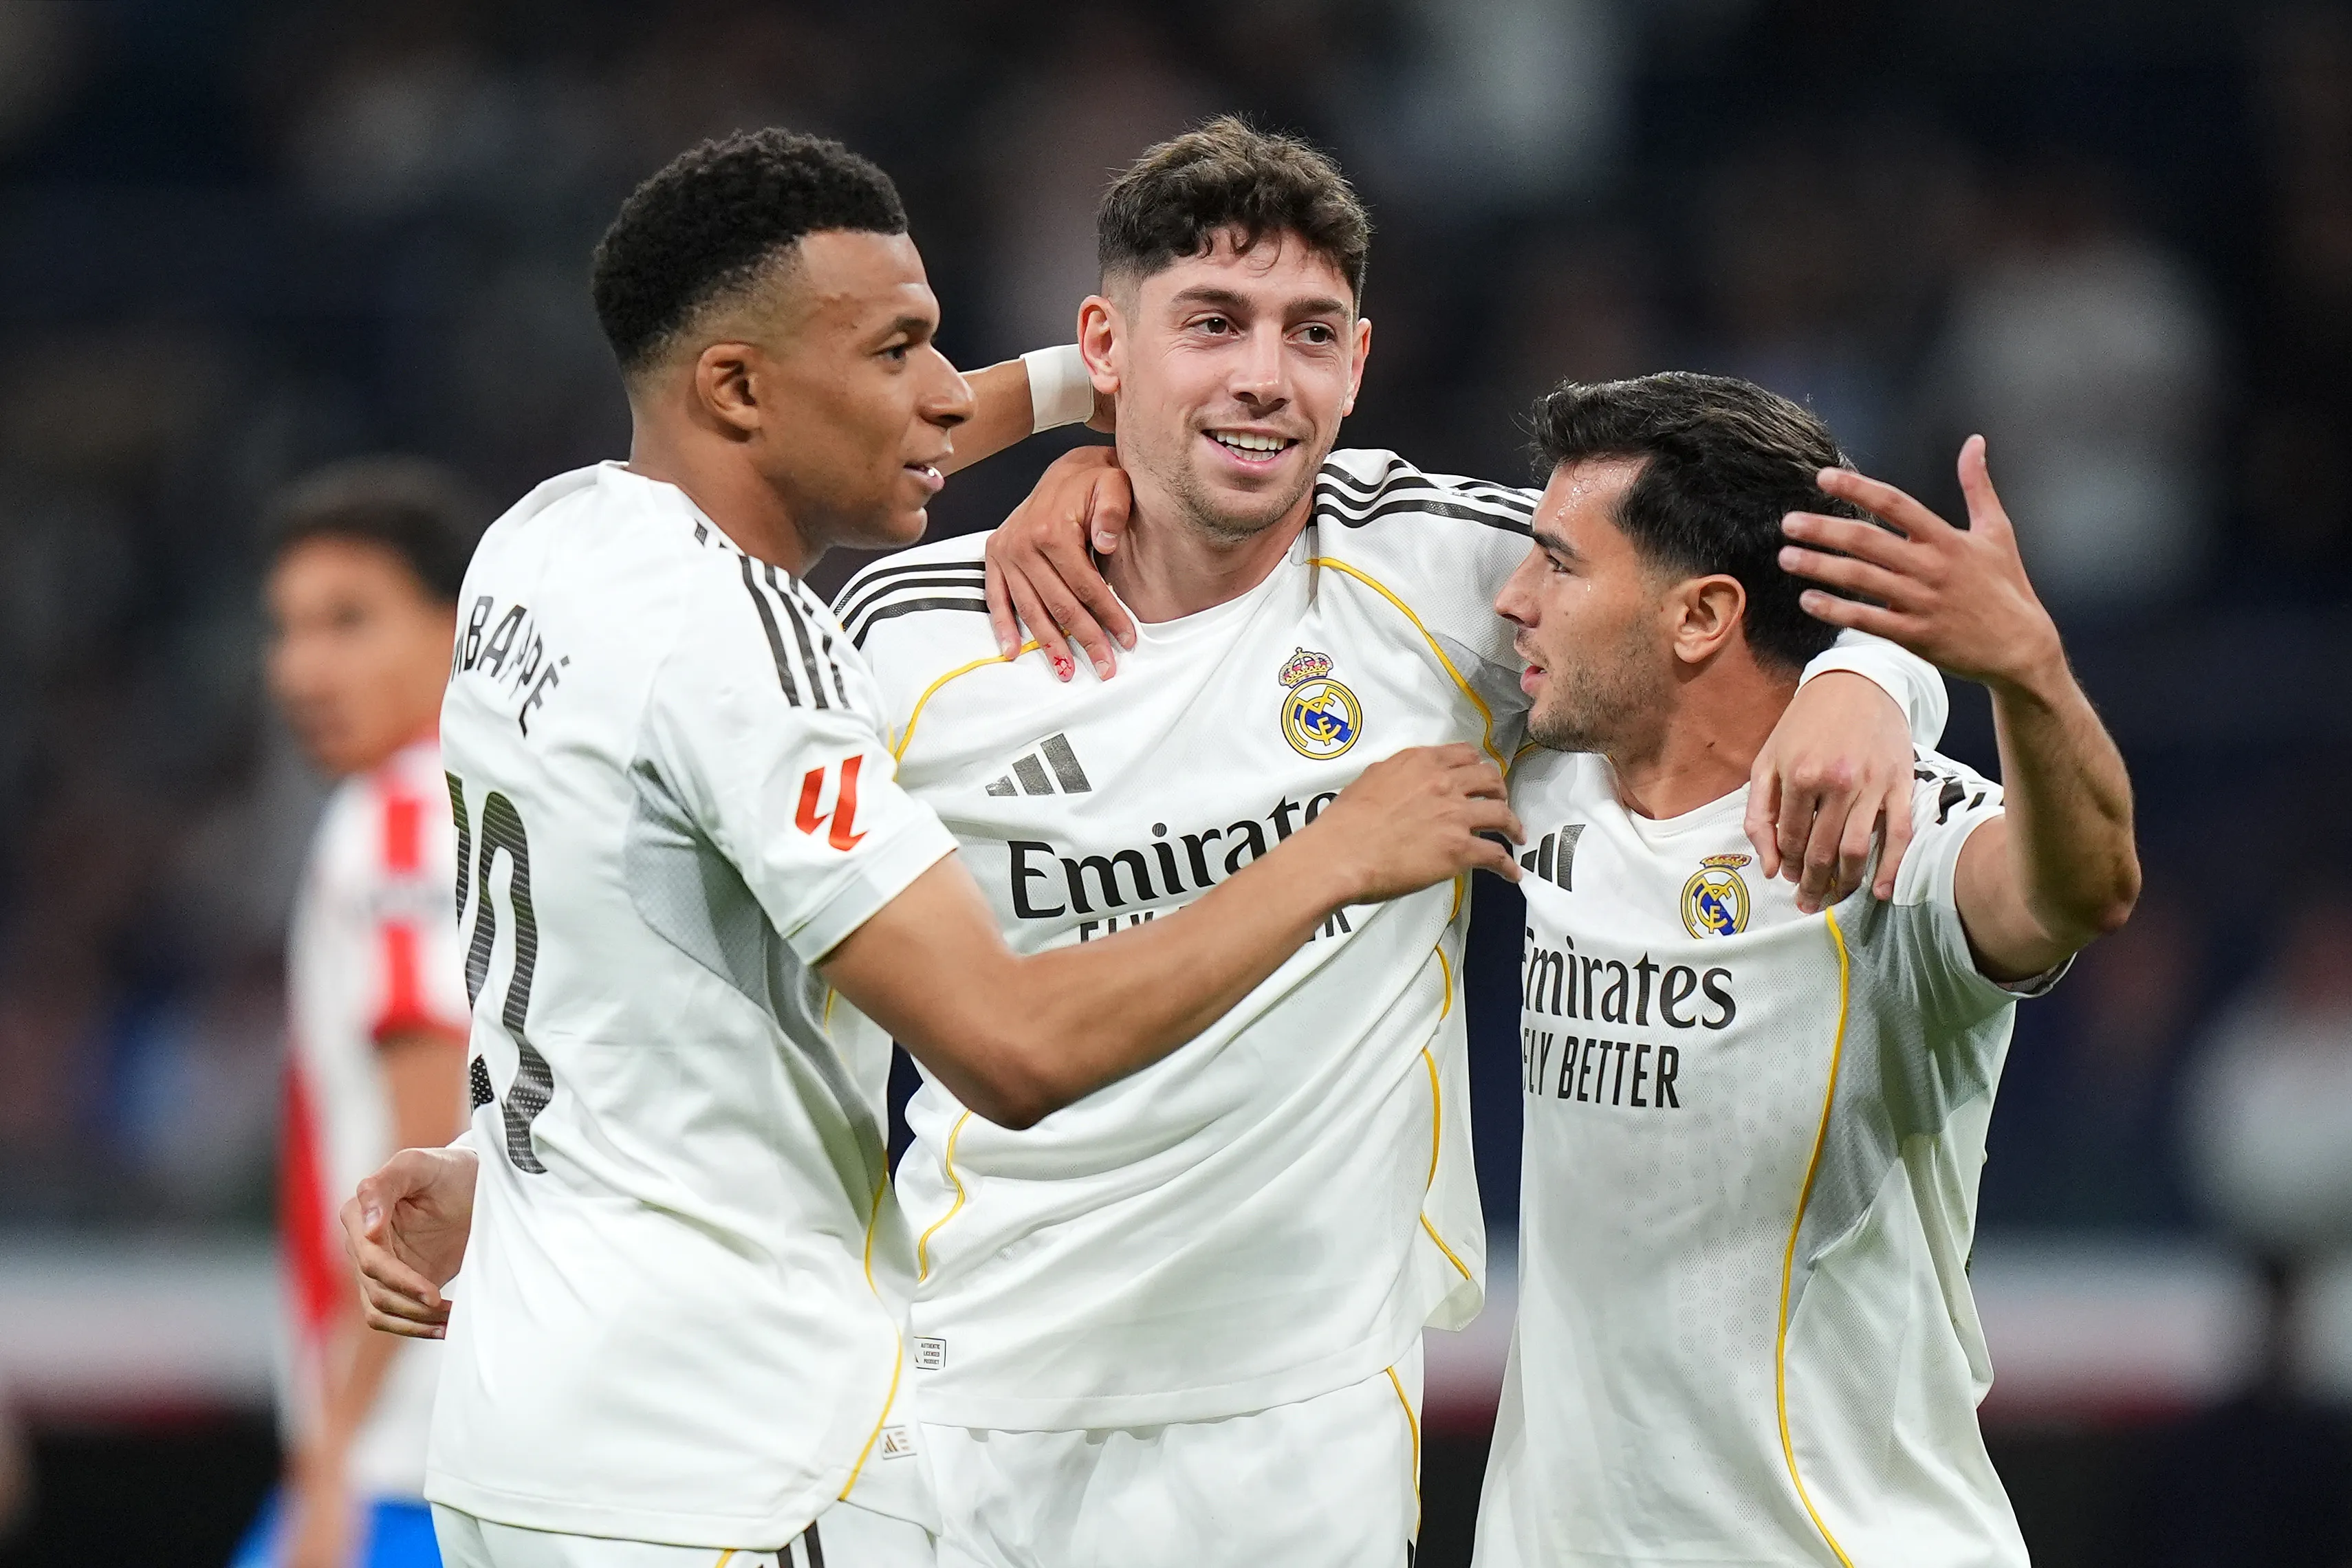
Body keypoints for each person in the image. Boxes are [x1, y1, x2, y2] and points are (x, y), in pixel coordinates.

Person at [338, 127, 1518, 1568]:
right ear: (737, 387)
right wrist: (1336, 852)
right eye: (899, 354)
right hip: (777, 1438)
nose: (947, 398)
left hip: (545, 1415)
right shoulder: (804, 651)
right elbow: (1009, 1046)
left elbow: (637, 929)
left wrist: (1130, 406)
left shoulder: (540, 544)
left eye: (1311, 333)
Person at [831, 120, 1946, 1567]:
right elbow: (768, 509)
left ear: (1358, 367)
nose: (1265, 376)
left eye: (1311, 334)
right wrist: (1068, 412)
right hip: (957, 1402)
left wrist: (1869, 682)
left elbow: (1758, 556)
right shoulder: (913, 635)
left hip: (1303, 1428)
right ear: (1105, 344)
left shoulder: (1436, 568)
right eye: (1211, 325)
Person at [1477, 374, 2139, 1566]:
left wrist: (2027, 672)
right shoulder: (1546, 777)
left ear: (1701, 616)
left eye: (1560, 567)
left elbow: (2082, 890)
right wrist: (1877, 664)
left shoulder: (1887, 829)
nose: (1512, 599)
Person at [235, 459, 488, 1568]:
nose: (302, 667)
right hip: (484, 1433)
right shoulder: (498, 801)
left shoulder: (399, 816)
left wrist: (333, 1444)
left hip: (403, 1456)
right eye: (285, 629)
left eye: (349, 621)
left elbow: (423, 1131)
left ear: (455, 628)